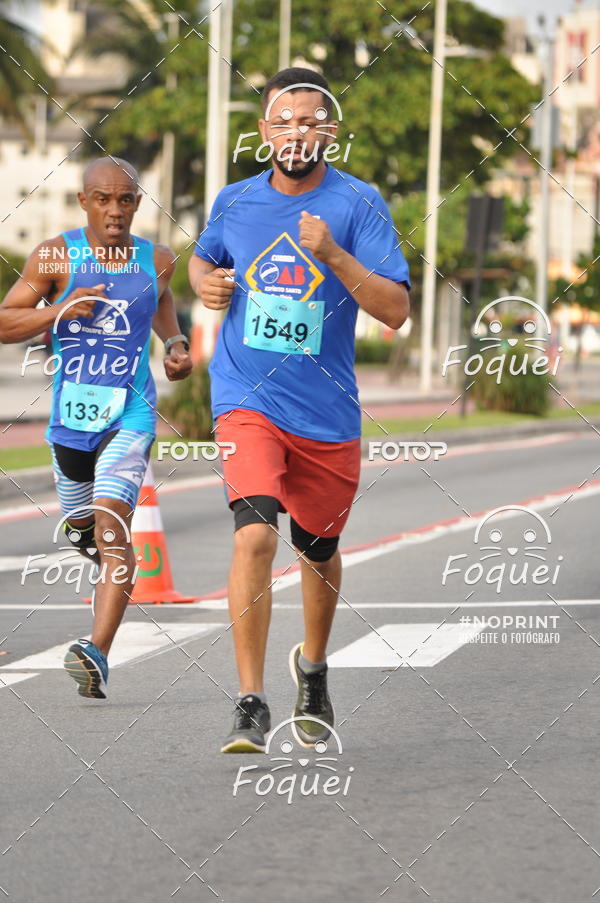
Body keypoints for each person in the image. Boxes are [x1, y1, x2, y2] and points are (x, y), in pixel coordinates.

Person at [189, 67, 410, 753]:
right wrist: (210, 287)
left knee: (318, 550)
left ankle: (312, 667)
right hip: (246, 396)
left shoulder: (359, 203)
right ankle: (250, 697)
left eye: (310, 120)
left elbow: (397, 311)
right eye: (283, 121)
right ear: (264, 133)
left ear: (330, 132)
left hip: (326, 411)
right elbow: (201, 263)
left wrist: (333, 254)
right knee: (254, 535)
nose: (296, 132)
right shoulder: (235, 201)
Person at [0, 156, 192, 699]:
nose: (115, 210)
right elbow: (5, 322)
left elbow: (162, 302)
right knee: (84, 525)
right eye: (103, 199)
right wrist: (61, 311)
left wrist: (174, 344)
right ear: (84, 202)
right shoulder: (56, 255)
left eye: (126, 199)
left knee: (112, 524)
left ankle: (96, 652)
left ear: (137, 202)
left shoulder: (155, 259)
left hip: (129, 415)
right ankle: (93, 540)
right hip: (70, 425)